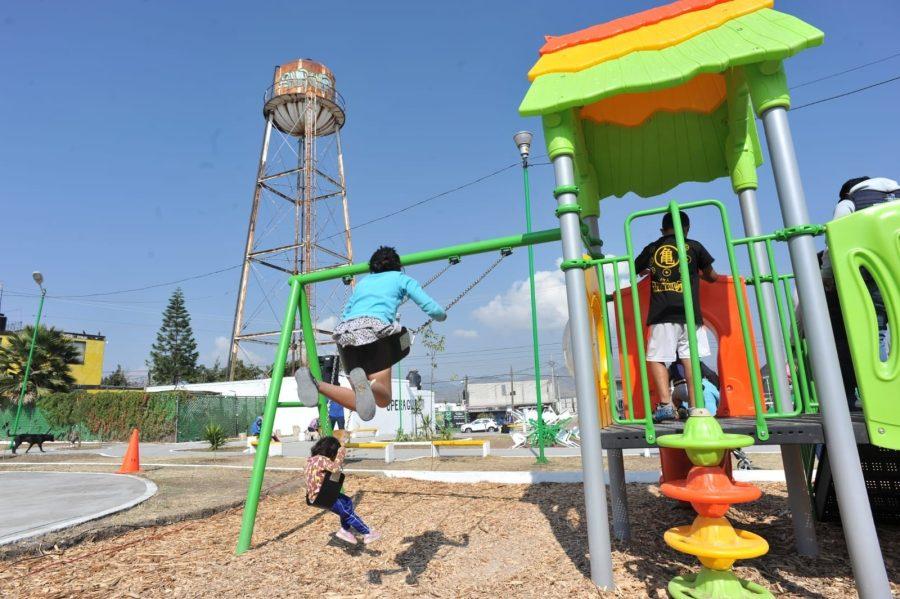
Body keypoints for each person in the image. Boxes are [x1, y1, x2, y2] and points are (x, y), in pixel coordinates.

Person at [294, 246, 446, 421]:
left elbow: (346, 313)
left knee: (362, 403)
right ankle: (367, 385)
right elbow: (432, 308)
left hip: (346, 337)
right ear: (398, 266)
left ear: (372, 266)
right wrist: (442, 316)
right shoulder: (401, 278)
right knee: (384, 399)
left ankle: (316, 384)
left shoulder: (363, 283)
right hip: (376, 334)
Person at [634, 211, 719, 422]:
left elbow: (638, 267)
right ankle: (696, 406)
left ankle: (665, 405)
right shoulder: (695, 246)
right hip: (690, 314)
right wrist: (694, 271)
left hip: (663, 312)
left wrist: (651, 270)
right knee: (690, 357)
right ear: (687, 228)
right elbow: (712, 276)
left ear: (662, 230)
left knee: (656, 357)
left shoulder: (653, 248)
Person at [821, 176, 897, 409]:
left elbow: (834, 241)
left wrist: (826, 275)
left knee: (877, 331)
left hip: (875, 278)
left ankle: (884, 395)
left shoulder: (850, 203)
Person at [305, 435, 380, 545]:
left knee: (347, 501)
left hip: (316, 496)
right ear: (331, 451)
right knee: (347, 513)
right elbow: (335, 468)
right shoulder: (321, 459)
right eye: (335, 453)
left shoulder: (311, 460)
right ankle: (367, 533)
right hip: (324, 496)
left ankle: (345, 530)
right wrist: (342, 451)